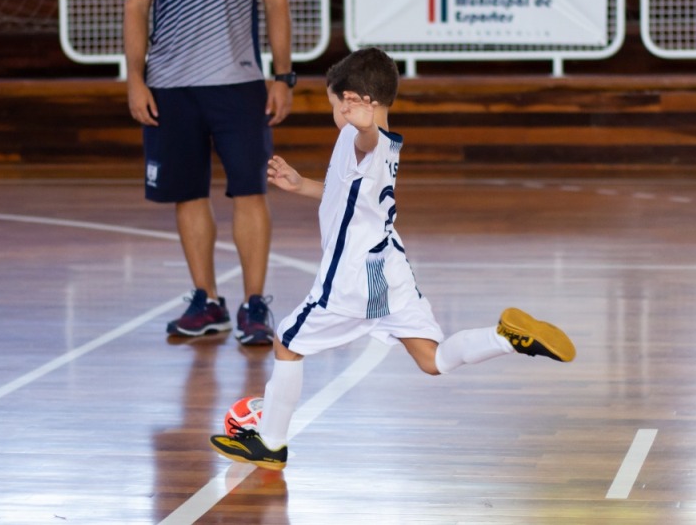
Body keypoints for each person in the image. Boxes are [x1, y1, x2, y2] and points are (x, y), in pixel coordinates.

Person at [209, 48, 576, 470]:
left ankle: (270, 443)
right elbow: (345, 192)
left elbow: (370, 141)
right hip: (388, 268)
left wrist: (365, 126)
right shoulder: (354, 136)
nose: (335, 115)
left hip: (352, 274)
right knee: (433, 359)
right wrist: (301, 184)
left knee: (288, 341)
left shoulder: (374, 142)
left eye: (335, 106)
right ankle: (507, 338)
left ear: (354, 102)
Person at [123, 0, 294, 346]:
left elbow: (276, 0)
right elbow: (136, 9)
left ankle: (255, 304)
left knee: (250, 190)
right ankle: (207, 301)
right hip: (170, 87)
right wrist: (135, 79)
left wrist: (283, 76)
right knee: (186, 193)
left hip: (239, 83)